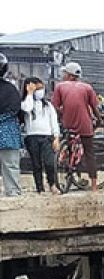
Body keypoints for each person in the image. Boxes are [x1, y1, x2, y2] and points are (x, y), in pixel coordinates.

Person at [50, 61, 101, 191]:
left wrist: (63, 112)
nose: (63, 76)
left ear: (69, 75)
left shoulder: (60, 87)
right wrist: (99, 120)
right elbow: (94, 107)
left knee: (69, 148)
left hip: (68, 123)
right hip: (85, 124)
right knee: (89, 153)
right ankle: (94, 186)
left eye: (65, 73)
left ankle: (70, 174)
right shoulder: (87, 87)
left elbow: (54, 106)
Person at [20, 77, 60, 194]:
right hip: (31, 137)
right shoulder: (25, 103)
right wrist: (29, 93)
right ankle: (40, 188)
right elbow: (27, 108)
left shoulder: (48, 105)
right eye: (37, 89)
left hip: (46, 136)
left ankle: (52, 184)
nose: (40, 91)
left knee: (49, 162)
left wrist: (56, 137)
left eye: (41, 88)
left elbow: (54, 121)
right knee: (36, 164)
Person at [0, 55, 21, 196]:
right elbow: (17, 110)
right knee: (11, 164)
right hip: (8, 131)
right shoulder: (11, 89)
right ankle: (12, 191)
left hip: (8, 130)